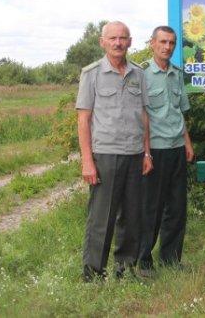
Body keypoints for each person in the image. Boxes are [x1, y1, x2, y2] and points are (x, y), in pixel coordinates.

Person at [76, 21, 153, 282]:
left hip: (134, 154)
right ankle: (93, 274)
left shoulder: (138, 74)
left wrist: (146, 153)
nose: (118, 43)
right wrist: (87, 161)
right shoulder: (92, 74)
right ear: (103, 42)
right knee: (102, 218)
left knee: (132, 217)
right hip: (105, 155)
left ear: (130, 42)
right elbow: (83, 119)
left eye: (123, 38)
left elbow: (144, 115)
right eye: (113, 38)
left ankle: (125, 271)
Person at [138, 26, 194, 275]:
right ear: (152, 43)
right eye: (162, 42)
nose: (167, 47)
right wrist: (146, 153)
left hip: (177, 148)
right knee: (151, 208)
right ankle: (144, 261)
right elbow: (141, 117)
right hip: (155, 150)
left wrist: (188, 143)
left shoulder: (176, 74)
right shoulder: (142, 75)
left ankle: (171, 260)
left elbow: (179, 112)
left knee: (177, 208)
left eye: (171, 43)